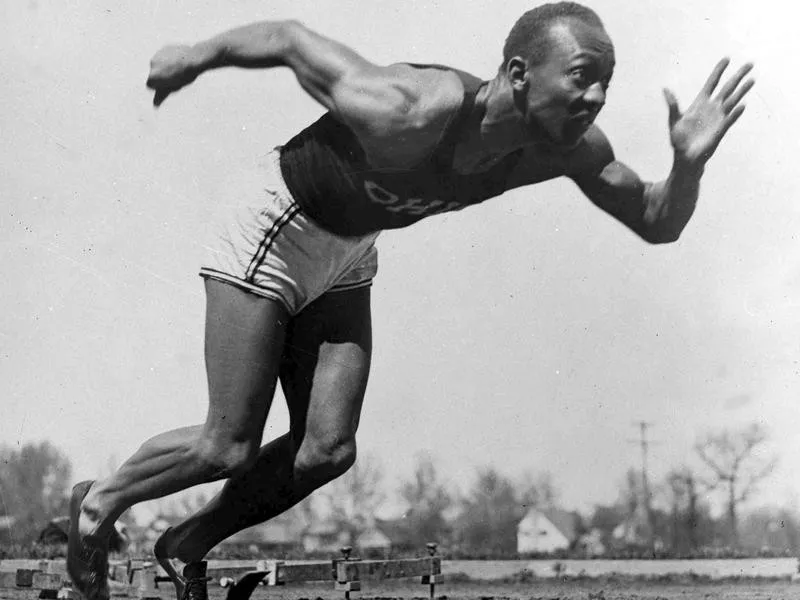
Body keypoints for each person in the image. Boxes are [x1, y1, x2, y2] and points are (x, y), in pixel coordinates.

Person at [66, 3, 754, 599]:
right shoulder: (410, 108)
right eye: (581, 76)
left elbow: (658, 221)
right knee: (227, 444)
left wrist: (688, 163)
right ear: (518, 73)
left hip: (350, 249)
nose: (598, 95)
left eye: (607, 80)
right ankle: (99, 505)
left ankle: (185, 546)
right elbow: (287, 37)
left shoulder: (567, 151)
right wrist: (193, 57)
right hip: (276, 224)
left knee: (327, 450)